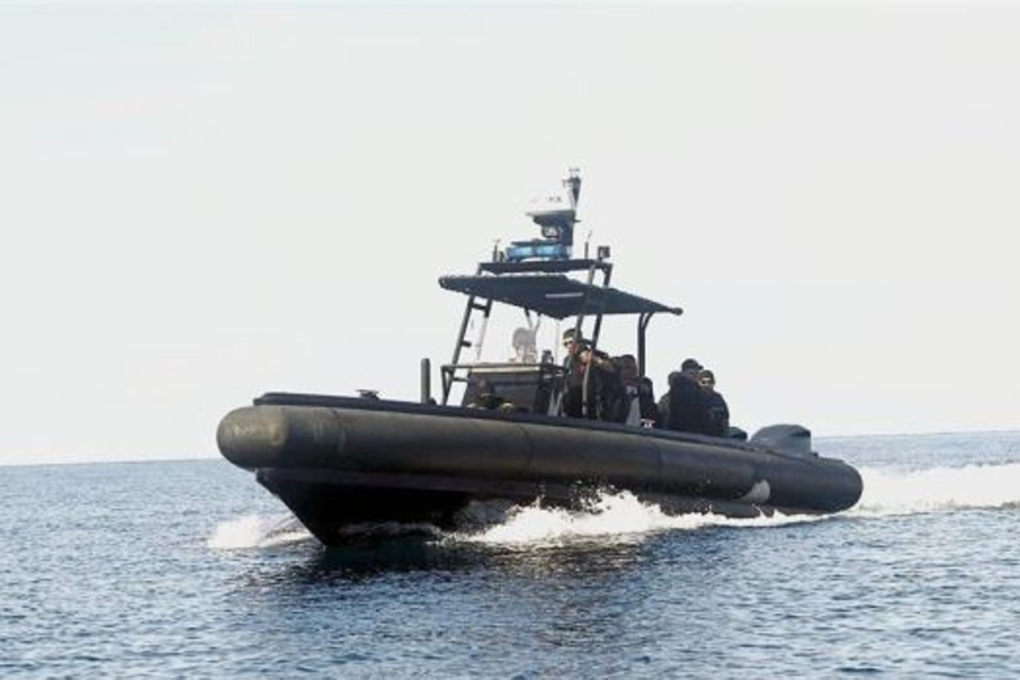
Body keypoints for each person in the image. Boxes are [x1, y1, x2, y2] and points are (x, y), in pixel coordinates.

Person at [560, 329, 622, 421]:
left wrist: (594, 359)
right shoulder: (567, 360)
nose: (569, 346)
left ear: (581, 341)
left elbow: (613, 370)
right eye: (566, 344)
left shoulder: (597, 354)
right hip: (572, 405)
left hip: (593, 406)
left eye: (571, 342)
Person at [665, 358, 712, 434]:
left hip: (684, 432)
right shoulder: (687, 388)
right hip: (688, 432)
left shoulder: (679, 386)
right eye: (694, 371)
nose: (697, 373)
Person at [615, 354, 658, 427]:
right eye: (627, 368)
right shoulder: (614, 391)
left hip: (642, 431)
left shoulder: (644, 390)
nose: (631, 371)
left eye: (634, 368)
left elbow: (651, 415)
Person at [698, 369, 730, 437]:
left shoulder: (718, 398)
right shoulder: (694, 398)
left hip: (716, 436)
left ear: (714, 383)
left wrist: (725, 437)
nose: (707, 385)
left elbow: (725, 420)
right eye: (703, 382)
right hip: (699, 436)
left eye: (710, 382)